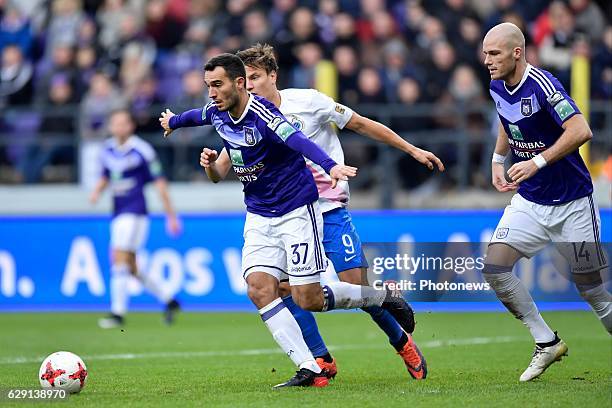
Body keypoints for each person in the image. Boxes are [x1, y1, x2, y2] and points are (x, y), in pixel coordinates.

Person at [159, 53, 416, 388]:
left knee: (308, 296)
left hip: (297, 210)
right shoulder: (218, 113)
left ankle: (379, 297)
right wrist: (173, 122)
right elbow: (196, 118)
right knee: (259, 288)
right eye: (208, 86)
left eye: (218, 85)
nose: (211, 93)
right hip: (259, 214)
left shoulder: (270, 112)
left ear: (246, 82)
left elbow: (299, 141)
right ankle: (311, 367)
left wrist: (329, 165)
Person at [235, 43, 445, 380]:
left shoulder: (308, 102)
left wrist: (411, 149)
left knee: (355, 285)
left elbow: (360, 124)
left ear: (273, 76)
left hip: (328, 207)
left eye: (255, 77)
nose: (249, 86)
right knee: (284, 288)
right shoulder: (245, 118)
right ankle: (320, 360)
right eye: (243, 80)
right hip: (289, 215)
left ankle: (400, 340)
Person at [482, 22, 610, 382]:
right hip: (530, 202)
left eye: (494, 53)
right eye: (485, 53)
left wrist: (536, 161)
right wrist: (497, 160)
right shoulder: (496, 84)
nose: (487, 61)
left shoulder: (543, 85)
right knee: (494, 268)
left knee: (593, 290)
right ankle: (546, 341)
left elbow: (581, 130)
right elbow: (507, 121)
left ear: (517, 53)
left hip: (573, 202)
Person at [90, 109, 181, 329]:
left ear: (131, 126)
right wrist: (97, 191)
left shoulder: (142, 150)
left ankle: (117, 313)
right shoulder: (107, 149)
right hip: (118, 211)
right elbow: (106, 175)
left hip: (135, 213)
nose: (119, 128)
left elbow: (160, 183)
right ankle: (169, 300)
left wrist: (171, 216)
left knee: (118, 258)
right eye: (115, 124)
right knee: (130, 267)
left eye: (123, 123)